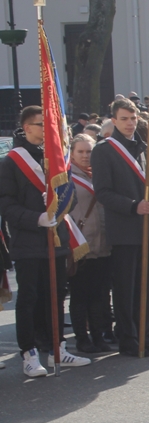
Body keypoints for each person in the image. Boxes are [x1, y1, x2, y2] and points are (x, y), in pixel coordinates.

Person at [0, 106, 92, 376]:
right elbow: (6, 205)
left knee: (55, 296)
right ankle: (28, 353)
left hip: (56, 237)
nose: (47, 129)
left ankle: (57, 349)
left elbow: (71, 195)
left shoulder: (55, 157)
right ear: (27, 127)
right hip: (29, 239)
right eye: (41, 124)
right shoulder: (11, 162)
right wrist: (36, 217)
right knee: (29, 297)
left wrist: (60, 203)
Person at [91, 98, 149, 356]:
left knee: (145, 287)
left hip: (146, 228)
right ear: (113, 121)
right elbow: (102, 192)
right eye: (124, 119)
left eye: (133, 118)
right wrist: (133, 206)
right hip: (123, 229)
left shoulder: (143, 148)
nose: (129, 123)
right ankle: (128, 339)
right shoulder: (104, 150)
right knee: (126, 289)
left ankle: (145, 335)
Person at [67, 135, 113, 353]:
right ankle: (82, 339)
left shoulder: (99, 175)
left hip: (102, 245)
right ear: (72, 153)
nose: (85, 156)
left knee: (98, 295)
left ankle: (98, 335)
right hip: (81, 246)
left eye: (89, 152)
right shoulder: (67, 177)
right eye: (81, 152)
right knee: (79, 297)